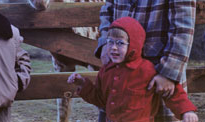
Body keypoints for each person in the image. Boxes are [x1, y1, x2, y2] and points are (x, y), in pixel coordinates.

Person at [69, 17, 198, 122]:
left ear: (134, 45)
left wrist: (186, 110)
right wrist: (83, 84)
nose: (113, 47)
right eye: (110, 42)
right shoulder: (106, 70)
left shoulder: (146, 70)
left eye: (120, 43)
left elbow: (172, 93)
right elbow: (100, 99)